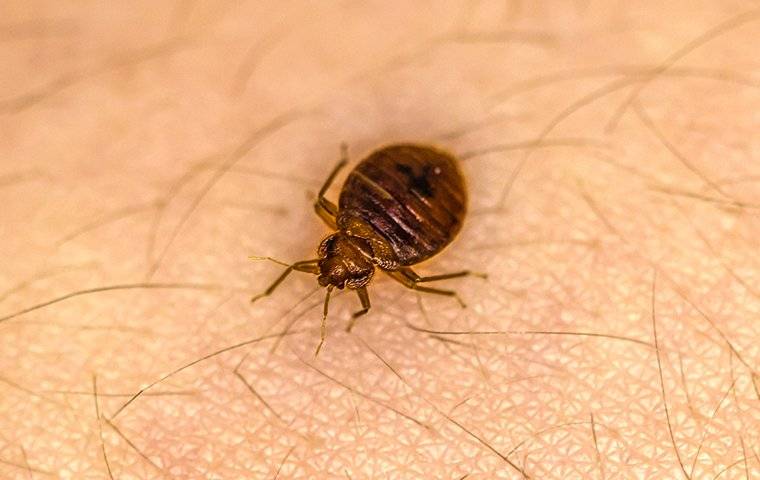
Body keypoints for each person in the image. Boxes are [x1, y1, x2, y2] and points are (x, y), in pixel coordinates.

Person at [0, 1, 757, 478]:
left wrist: (442, 281)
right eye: (340, 271)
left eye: (338, 269)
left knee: (397, 253)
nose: (338, 272)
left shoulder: (369, 255)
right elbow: (375, 258)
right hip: (402, 199)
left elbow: (388, 268)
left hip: (398, 188)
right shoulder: (360, 250)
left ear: (338, 258)